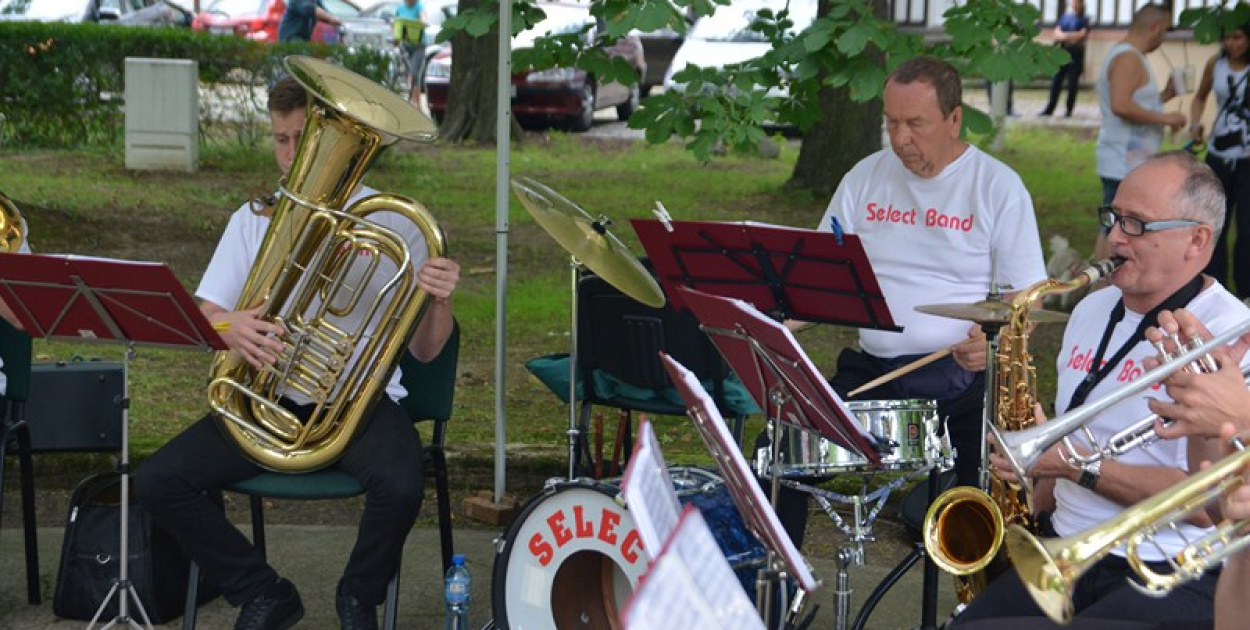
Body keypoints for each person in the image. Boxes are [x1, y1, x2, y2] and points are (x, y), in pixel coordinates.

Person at [136, 77, 460, 630]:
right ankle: (263, 593)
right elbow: (205, 315)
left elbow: (428, 352)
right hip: (263, 402)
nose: (290, 155)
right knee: (158, 480)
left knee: (403, 484)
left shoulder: (398, 224)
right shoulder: (253, 220)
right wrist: (230, 326)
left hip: (357, 406)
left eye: (301, 140)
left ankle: (357, 596)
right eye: (280, 140)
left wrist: (440, 299)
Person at [950, 151, 1248, 628]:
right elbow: (1077, 429)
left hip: (1169, 566)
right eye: (1113, 217)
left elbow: (1207, 506)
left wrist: (1074, 466)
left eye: (1137, 225)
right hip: (1067, 550)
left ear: (1196, 240)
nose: (1114, 238)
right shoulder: (1092, 309)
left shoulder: (1232, 337)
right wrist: (1036, 490)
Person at [815, 55, 1047, 492]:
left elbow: (1028, 295)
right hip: (871, 371)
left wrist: (997, 342)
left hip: (958, 378)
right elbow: (819, 272)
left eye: (915, 124)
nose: (900, 138)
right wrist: (766, 320)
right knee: (781, 451)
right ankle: (773, 540)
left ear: (954, 119)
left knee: (987, 486)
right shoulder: (865, 176)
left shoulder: (996, 186)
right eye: (892, 122)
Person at [1188, 23, 1250, 297]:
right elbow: (1199, 97)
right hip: (1218, 156)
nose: (1232, 43)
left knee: (1247, 229)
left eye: (1238, 37)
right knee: (1215, 225)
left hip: (1247, 161)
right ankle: (1215, 288)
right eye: (1227, 38)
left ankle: (1245, 291)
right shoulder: (1216, 64)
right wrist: (1194, 124)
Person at [1040, 0, 1090, 118]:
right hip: (1062, 52)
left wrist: (1065, 36)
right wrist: (1069, 36)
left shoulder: (1084, 19)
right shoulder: (1065, 17)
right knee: (1056, 81)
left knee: (1072, 83)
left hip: (1075, 54)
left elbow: (1082, 34)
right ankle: (1050, 108)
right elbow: (1057, 33)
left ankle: (1069, 109)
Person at [394, 0, 428, 100]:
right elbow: (396, 24)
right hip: (405, 45)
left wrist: (422, 22)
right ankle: (404, 98)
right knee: (401, 72)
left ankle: (416, 103)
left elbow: (424, 19)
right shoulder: (400, 7)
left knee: (415, 74)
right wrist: (395, 39)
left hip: (418, 45)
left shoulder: (419, 6)